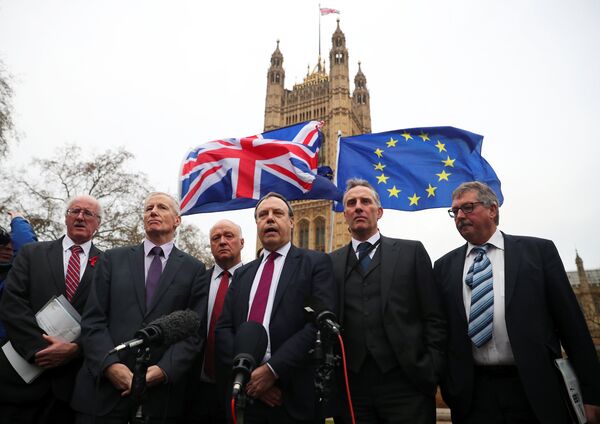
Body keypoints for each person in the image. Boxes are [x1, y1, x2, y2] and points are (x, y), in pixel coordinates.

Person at [434, 181, 600, 424]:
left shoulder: (538, 252)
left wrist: (592, 393)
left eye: (468, 207)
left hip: (535, 388)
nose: (460, 215)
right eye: (455, 211)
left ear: (493, 209)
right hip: (472, 396)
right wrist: (449, 387)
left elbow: (573, 327)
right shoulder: (443, 267)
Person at [71, 192, 208, 424]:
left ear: (177, 220)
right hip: (101, 394)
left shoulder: (194, 269)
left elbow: (193, 330)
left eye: (161, 207)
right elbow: (93, 320)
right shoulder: (112, 259)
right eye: (148, 208)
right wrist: (110, 366)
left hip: (158, 400)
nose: (153, 211)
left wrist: (163, 371)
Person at [330, 178, 446, 424]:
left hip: (406, 383)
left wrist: (430, 368)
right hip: (352, 388)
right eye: (351, 203)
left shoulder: (410, 252)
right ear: (344, 214)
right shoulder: (330, 263)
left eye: (366, 201)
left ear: (379, 211)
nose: (358, 207)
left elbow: (434, 316)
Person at [215, 192, 336, 424]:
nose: (269, 218)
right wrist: (250, 376)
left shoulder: (315, 263)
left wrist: (272, 370)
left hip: (292, 394)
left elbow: (318, 326)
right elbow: (224, 329)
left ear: (291, 221)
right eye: (263, 215)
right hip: (247, 396)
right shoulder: (242, 273)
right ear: (257, 224)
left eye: (277, 213)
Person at [0, 196, 103, 424]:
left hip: (71, 388)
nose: (80, 217)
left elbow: (110, 318)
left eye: (88, 214)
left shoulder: (109, 265)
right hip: (19, 380)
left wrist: (75, 349)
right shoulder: (31, 253)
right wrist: (39, 350)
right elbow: (12, 303)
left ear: (98, 223)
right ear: (66, 217)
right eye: (75, 211)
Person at [181, 219, 245, 424]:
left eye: (229, 236)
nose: (222, 241)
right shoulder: (197, 281)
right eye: (216, 238)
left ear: (242, 242)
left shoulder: (256, 279)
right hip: (197, 388)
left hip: (240, 386)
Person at [0, 211, 38, 342]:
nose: (6, 252)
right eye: (2, 248)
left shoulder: (14, 274)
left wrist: (18, 220)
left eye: (10, 249)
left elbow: (28, 249)